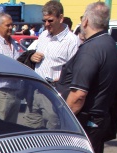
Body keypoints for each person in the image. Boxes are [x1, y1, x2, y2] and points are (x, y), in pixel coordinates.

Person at [55, 2, 117, 153]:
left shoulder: (91, 49)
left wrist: (62, 120)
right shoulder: (110, 44)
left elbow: (78, 95)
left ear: (85, 21)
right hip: (98, 119)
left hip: (86, 121)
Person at [25, 1, 79, 129]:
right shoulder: (43, 35)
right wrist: (33, 57)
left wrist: (61, 82)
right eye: (44, 21)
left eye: (50, 21)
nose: (46, 25)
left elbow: (74, 71)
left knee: (53, 127)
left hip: (54, 92)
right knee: (30, 128)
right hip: (36, 89)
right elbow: (34, 55)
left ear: (60, 18)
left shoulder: (71, 41)